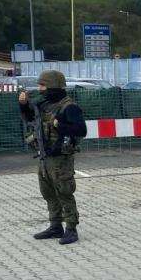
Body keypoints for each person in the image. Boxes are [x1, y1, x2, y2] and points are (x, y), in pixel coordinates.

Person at [19, 69, 87, 245]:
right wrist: (24, 105)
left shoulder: (69, 106)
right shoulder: (44, 105)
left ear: (53, 86)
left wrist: (60, 125)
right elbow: (30, 119)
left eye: (43, 85)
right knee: (48, 192)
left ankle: (71, 228)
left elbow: (81, 130)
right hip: (45, 156)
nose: (40, 89)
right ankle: (55, 225)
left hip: (61, 158)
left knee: (64, 191)